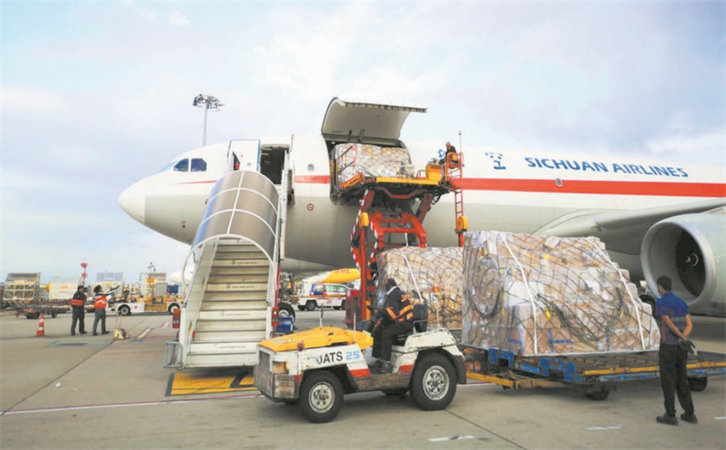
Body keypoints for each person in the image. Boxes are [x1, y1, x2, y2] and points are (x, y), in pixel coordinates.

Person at [655, 275, 697, 425]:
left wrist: (680, 336)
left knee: (668, 380)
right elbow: (689, 324)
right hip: (681, 347)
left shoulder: (661, 302)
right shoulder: (681, 302)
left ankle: (670, 415)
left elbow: (667, 322)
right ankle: (689, 413)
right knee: (682, 379)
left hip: (668, 346)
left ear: (660, 287)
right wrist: (684, 337)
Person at [371, 278, 414, 372]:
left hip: (404, 323)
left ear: (388, 285)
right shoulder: (398, 292)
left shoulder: (393, 295)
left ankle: (387, 363)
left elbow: (393, 315)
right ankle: (379, 360)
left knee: (386, 333)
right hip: (405, 322)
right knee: (378, 330)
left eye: (385, 286)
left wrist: (381, 312)